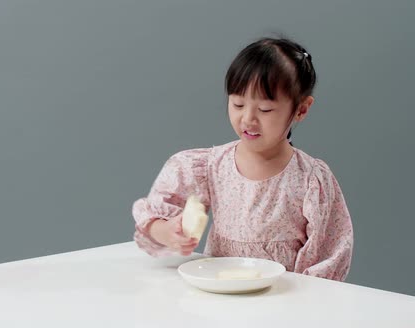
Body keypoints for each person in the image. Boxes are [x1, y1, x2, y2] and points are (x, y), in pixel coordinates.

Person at [132, 37, 354, 281]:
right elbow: (154, 215)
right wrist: (167, 231)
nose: (248, 119)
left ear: (301, 109)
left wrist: (300, 299)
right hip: (221, 295)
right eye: (238, 104)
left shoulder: (311, 180)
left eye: (265, 109)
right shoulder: (210, 167)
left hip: (284, 302)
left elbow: (329, 254)